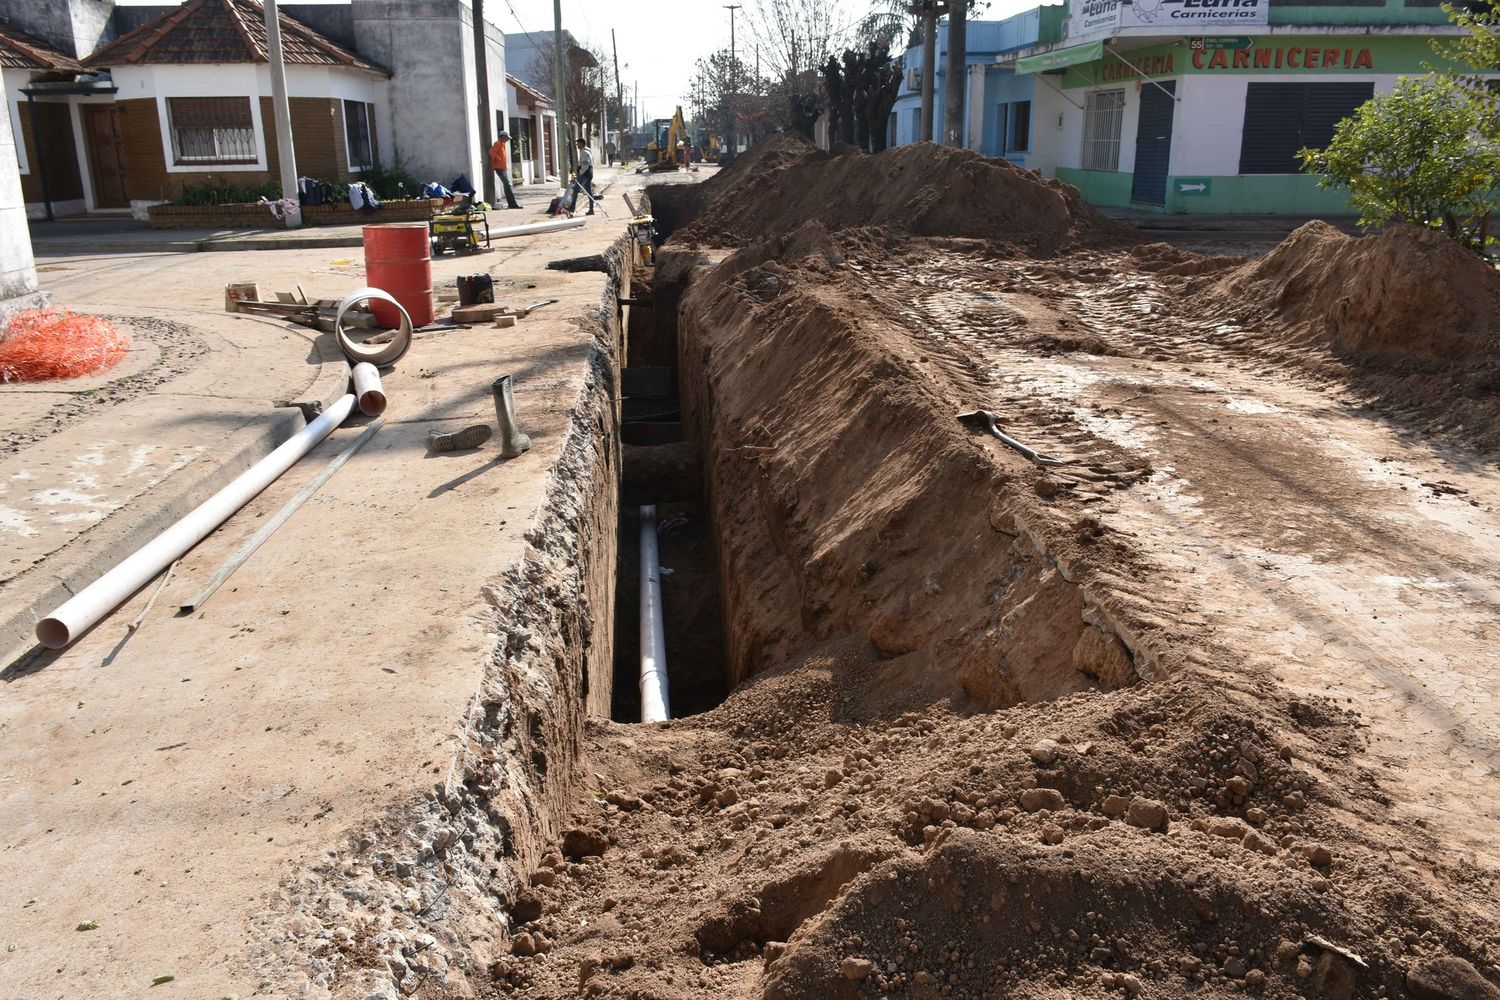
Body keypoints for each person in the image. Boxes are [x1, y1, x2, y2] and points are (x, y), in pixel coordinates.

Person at [488, 130, 522, 209]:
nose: (507, 140)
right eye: (506, 138)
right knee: (507, 185)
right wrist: (497, 157)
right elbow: (491, 151)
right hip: (498, 168)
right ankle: (513, 204)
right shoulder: (497, 144)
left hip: (502, 168)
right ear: (502, 137)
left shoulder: (502, 144)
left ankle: (512, 204)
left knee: (507, 186)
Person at [574, 137, 595, 215]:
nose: (577, 145)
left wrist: (580, 173)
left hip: (585, 173)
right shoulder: (583, 151)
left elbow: (585, 166)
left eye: (578, 143)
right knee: (589, 191)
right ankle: (591, 209)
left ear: (582, 144)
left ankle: (572, 207)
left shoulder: (585, 153)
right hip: (587, 173)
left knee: (576, 189)